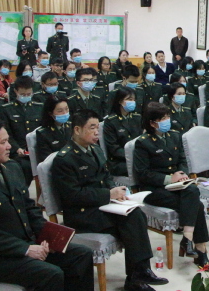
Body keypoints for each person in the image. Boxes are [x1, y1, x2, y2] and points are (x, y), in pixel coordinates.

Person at [52, 110, 168, 291]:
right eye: (92, 128)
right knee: (132, 221)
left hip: (101, 206)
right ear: (77, 130)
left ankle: (138, 274)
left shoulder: (96, 149)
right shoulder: (65, 159)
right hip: (81, 214)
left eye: (97, 128)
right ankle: (137, 276)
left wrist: (117, 192)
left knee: (135, 213)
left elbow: (106, 177)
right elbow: (73, 196)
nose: (96, 132)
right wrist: (108, 194)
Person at [0, 119, 94, 291]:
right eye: (3, 142)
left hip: (26, 242)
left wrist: (48, 235)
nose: (9, 146)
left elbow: (29, 208)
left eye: (8, 141)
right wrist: (25, 249)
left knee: (81, 255)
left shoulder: (11, 168)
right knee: (51, 274)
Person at [135, 102, 209, 269]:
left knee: (192, 190)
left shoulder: (175, 136)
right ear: (152, 123)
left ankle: (188, 240)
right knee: (196, 204)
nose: (167, 121)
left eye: (168, 117)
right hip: (154, 190)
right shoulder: (143, 143)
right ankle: (199, 249)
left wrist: (183, 174)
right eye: (163, 118)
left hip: (178, 186)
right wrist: (169, 178)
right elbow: (143, 174)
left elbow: (183, 160)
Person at [0, 76, 43, 187]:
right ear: (16, 91)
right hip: (18, 151)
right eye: (23, 94)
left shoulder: (39, 107)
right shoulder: (7, 109)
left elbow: (43, 130)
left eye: (29, 94)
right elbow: (7, 133)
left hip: (37, 150)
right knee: (24, 167)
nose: (26, 96)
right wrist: (16, 148)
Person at [103, 87, 143, 176]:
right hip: (119, 161)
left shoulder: (137, 118)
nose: (132, 102)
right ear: (120, 101)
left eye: (134, 100)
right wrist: (132, 156)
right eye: (129, 99)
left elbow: (141, 140)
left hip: (137, 156)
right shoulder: (111, 121)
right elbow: (113, 148)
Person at [36, 96, 72, 163]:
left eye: (66, 109)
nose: (65, 113)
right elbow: (46, 160)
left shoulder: (72, 126)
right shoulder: (43, 133)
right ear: (50, 113)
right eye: (60, 111)